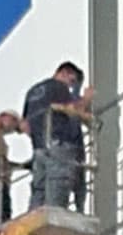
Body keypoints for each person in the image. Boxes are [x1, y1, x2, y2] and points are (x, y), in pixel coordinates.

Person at [22, 61, 93, 212]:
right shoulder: (58, 86)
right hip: (58, 145)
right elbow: (74, 109)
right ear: (64, 73)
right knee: (57, 192)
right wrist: (86, 99)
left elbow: (25, 126)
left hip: (39, 149)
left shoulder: (32, 91)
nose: (71, 87)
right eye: (72, 81)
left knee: (39, 192)